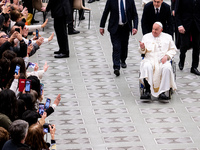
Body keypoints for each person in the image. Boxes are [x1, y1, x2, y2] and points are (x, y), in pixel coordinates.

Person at [139, 22, 177, 100]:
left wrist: (167, 56)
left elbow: (173, 50)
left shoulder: (168, 37)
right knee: (146, 66)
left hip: (162, 60)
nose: (154, 31)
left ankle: (162, 92)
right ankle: (148, 91)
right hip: (149, 59)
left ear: (161, 30)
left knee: (166, 68)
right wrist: (142, 48)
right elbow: (142, 52)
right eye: (153, 29)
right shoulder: (146, 37)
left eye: (156, 29)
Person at [99, 0, 138, 76]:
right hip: (114, 28)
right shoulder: (111, 1)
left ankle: (123, 60)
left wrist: (135, 27)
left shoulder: (130, 1)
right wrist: (102, 26)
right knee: (116, 46)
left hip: (126, 27)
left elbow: (135, 14)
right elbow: (106, 12)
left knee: (124, 45)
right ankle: (116, 67)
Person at [175, 0, 200, 75]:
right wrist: (179, 25)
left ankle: (194, 67)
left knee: (197, 46)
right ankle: (182, 59)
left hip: (197, 24)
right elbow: (177, 12)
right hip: (185, 24)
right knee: (185, 44)